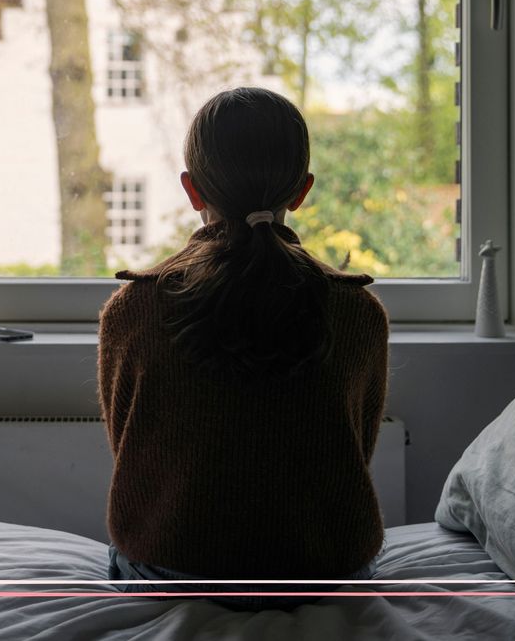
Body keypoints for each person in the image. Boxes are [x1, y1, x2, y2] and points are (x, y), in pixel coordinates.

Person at [97, 86, 390, 611]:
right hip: (325, 574)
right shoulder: (359, 313)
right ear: (301, 191)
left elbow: (134, 455)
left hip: (171, 570)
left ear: (191, 190)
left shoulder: (133, 310)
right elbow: (353, 454)